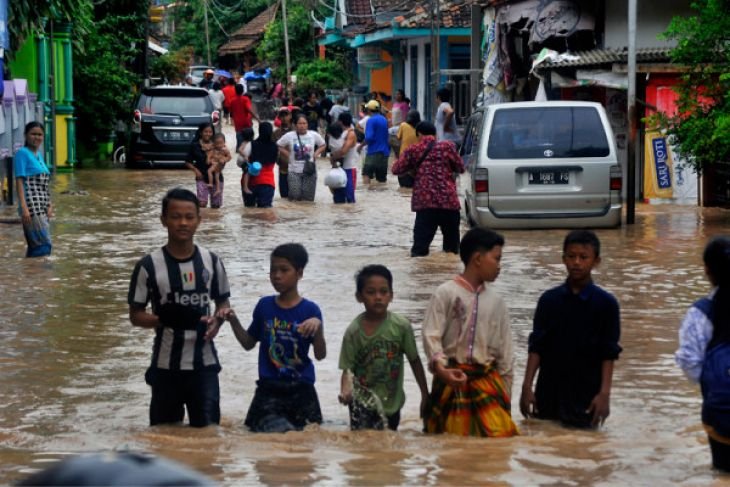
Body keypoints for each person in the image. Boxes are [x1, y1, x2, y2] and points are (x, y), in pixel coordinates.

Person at [128, 188, 231, 427]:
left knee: (208, 438)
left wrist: (219, 319)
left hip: (204, 366)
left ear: (199, 220)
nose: (183, 223)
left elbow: (223, 303)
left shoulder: (212, 262)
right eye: (175, 217)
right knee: (164, 438)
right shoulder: (148, 266)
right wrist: (162, 319)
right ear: (163, 220)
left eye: (189, 217)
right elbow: (135, 316)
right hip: (165, 367)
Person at [217, 243, 326, 432]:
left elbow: (320, 355)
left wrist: (318, 328)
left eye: (284, 270)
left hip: (302, 390)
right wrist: (233, 320)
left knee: (306, 444)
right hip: (269, 389)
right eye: (273, 270)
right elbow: (248, 343)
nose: (277, 276)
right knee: (268, 438)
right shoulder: (264, 306)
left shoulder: (311, 310)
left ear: (299, 273)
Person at [422, 227, 518, 437]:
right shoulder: (445, 293)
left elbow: (505, 353)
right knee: (450, 444)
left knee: (499, 442)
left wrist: (505, 394)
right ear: (477, 258)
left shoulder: (497, 302)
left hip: (487, 381)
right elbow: (431, 335)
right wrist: (441, 370)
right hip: (450, 379)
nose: (499, 266)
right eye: (497, 259)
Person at [520, 230, 622, 429]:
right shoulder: (549, 300)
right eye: (571, 256)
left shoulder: (606, 304)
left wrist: (604, 394)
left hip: (586, 394)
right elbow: (536, 347)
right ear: (563, 259)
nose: (577, 262)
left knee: (584, 448)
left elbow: (608, 352)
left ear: (596, 261)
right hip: (548, 391)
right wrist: (526, 387)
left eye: (583, 257)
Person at [338, 265, 429, 431]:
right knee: (364, 444)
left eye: (383, 292)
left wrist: (425, 394)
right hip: (361, 402)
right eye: (371, 292)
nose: (378, 297)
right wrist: (345, 391)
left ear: (391, 295)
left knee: (388, 447)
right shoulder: (353, 332)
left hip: (392, 403)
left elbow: (415, 361)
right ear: (359, 297)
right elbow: (347, 370)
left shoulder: (401, 327)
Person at [676, 236, 730, 472]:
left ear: (707, 270)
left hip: (720, 413)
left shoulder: (701, 313)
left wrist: (711, 381)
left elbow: (689, 360)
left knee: (722, 472)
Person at [391, 121, 465, 257]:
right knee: (452, 251)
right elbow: (461, 167)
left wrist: (413, 169)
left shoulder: (413, 150)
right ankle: (449, 276)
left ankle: (421, 277)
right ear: (435, 134)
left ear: (418, 134)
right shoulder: (448, 147)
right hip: (448, 202)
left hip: (425, 204)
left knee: (419, 251)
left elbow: (396, 169)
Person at [14, 122, 53, 258]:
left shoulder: (39, 155)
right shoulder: (22, 154)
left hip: (42, 207)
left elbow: (44, 185)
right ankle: (41, 276)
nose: (36, 137)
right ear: (26, 135)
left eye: (40, 134)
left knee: (37, 246)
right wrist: (24, 208)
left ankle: (31, 274)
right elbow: (19, 181)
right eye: (33, 134)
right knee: (43, 245)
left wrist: (49, 205)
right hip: (31, 207)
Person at [277, 113, 326, 202]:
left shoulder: (313, 135)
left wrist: (316, 154)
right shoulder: (289, 136)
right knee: (295, 196)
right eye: (300, 123)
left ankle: (306, 215)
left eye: (304, 123)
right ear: (295, 125)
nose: (302, 126)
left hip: (309, 170)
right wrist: (287, 154)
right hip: (294, 171)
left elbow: (323, 145)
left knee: (308, 199)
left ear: (307, 124)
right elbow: (278, 145)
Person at [185, 123, 223, 208]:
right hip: (201, 177)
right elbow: (187, 162)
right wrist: (196, 171)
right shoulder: (195, 145)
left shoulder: (217, 144)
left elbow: (225, 157)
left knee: (216, 206)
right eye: (206, 132)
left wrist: (222, 162)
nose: (208, 134)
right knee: (202, 204)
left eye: (210, 132)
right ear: (200, 133)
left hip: (216, 178)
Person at [326, 112, 359, 204]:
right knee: (338, 199)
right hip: (339, 168)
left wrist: (332, 157)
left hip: (348, 169)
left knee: (349, 199)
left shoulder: (350, 133)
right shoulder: (340, 133)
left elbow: (344, 151)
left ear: (340, 121)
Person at [244, 122, 278, 208]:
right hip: (268, 183)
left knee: (250, 211)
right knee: (265, 210)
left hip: (252, 182)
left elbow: (240, 161)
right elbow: (278, 161)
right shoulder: (275, 146)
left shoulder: (251, 144)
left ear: (259, 131)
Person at [357, 100, 390, 185]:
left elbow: (369, 138)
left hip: (373, 152)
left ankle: (368, 195)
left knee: (366, 174)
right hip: (385, 153)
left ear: (368, 110)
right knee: (381, 180)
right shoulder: (384, 119)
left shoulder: (371, 120)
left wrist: (360, 146)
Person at [395, 109, 421, 188]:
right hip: (417, 161)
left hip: (404, 160)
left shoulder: (403, 125)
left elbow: (397, 139)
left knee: (404, 188)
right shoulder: (421, 127)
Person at [229, 83, 259, 151]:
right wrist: (257, 119)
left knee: (239, 135)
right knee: (249, 136)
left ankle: (239, 148)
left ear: (235, 91)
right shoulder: (245, 99)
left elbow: (231, 112)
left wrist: (232, 121)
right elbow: (249, 110)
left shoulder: (232, 101)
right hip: (246, 121)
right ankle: (250, 148)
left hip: (237, 122)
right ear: (242, 91)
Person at [273, 108, 293, 198]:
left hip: (297, 169)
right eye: (282, 116)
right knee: (284, 197)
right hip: (282, 168)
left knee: (296, 198)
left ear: (290, 116)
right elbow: (272, 149)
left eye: (286, 115)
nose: (284, 117)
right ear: (279, 118)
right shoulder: (276, 133)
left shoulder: (297, 131)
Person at [206, 133, 231, 197]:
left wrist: (224, 159)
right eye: (217, 143)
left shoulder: (225, 150)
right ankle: (217, 189)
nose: (219, 145)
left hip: (219, 165)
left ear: (224, 142)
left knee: (210, 171)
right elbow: (209, 155)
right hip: (214, 164)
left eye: (221, 143)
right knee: (216, 176)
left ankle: (211, 184)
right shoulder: (213, 149)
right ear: (214, 143)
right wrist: (208, 159)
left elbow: (229, 157)